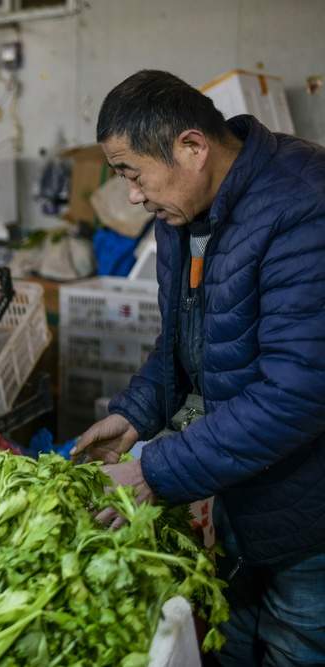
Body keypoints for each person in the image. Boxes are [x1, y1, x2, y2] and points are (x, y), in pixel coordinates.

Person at [72, 70, 325, 665]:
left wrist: (153, 472)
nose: (132, 194)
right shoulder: (186, 213)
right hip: (247, 492)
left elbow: (296, 393)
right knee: (232, 642)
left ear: (192, 146)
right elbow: (188, 338)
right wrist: (136, 416)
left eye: (133, 173)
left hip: (311, 517)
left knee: (296, 645)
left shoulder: (305, 208)